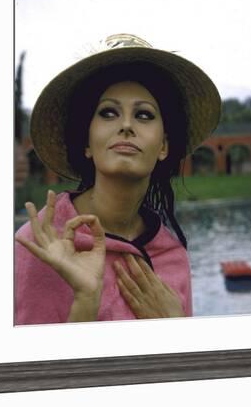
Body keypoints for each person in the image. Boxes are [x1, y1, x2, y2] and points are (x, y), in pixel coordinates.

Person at [15, 33, 221, 324]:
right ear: (87, 142)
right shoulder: (38, 246)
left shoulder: (173, 257)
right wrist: (86, 301)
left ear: (163, 147)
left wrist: (176, 327)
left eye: (145, 115)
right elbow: (30, 368)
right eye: (108, 113)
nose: (126, 125)